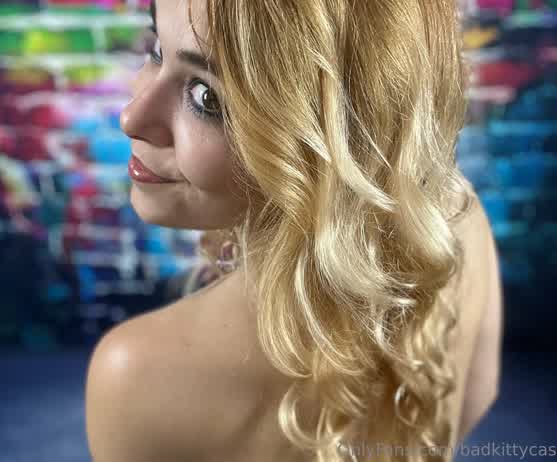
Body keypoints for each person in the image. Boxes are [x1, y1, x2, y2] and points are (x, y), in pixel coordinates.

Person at [85, 1, 504, 461]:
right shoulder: (457, 223)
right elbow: (474, 399)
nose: (132, 117)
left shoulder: (135, 373)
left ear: (327, 131)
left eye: (207, 98)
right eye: (157, 51)